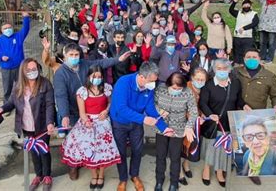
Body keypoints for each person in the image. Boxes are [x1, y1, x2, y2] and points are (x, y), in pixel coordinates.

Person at [53, 42, 131, 181]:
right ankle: (74, 166)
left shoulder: (85, 64)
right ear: (64, 56)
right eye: (71, 55)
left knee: (93, 141)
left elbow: (101, 62)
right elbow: (60, 95)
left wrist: (117, 60)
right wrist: (64, 114)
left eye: (76, 55)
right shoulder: (60, 73)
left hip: (93, 109)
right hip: (73, 110)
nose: (74, 57)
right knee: (76, 141)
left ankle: (93, 163)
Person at [109, 62, 174, 191]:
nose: (153, 85)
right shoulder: (123, 82)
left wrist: (164, 127)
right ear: (142, 77)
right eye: (151, 81)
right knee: (121, 152)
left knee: (137, 150)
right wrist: (143, 119)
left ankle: (134, 175)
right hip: (120, 122)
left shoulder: (148, 87)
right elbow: (122, 108)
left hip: (136, 123)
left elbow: (150, 108)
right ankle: (123, 179)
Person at [0, 58, 55, 191]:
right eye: (29, 70)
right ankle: (38, 175)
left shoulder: (45, 84)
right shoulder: (18, 85)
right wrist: (2, 109)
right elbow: (11, 102)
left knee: (44, 151)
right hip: (26, 126)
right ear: (23, 71)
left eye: (35, 69)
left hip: (42, 125)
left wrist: (50, 122)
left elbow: (50, 105)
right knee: (33, 151)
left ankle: (47, 176)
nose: (32, 72)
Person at [61, 65, 121, 190]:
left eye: (99, 76)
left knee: (103, 149)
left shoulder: (107, 88)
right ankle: (94, 175)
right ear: (89, 77)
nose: (97, 78)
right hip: (87, 122)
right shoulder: (82, 91)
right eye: (94, 76)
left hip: (103, 122)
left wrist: (106, 111)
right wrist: (86, 122)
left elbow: (111, 102)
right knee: (90, 150)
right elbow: (82, 112)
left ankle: (101, 175)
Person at [234, 48, 276, 185]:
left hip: (256, 115)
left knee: (253, 145)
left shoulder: (268, 76)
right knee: (234, 141)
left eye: (254, 57)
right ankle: (232, 164)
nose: (251, 59)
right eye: (248, 57)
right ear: (243, 59)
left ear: (260, 59)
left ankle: (253, 171)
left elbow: (275, 95)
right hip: (236, 111)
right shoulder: (236, 72)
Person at [199, 59, 245, 187]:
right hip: (214, 124)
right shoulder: (209, 85)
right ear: (214, 70)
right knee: (211, 149)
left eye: (225, 68)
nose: (222, 71)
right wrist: (210, 114)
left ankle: (220, 172)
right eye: (219, 68)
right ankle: (207, 170)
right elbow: (202, 103)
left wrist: (244, 106)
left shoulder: (235, 83)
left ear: (229, 70)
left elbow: (239, 100)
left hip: (229, 122)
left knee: (224, 151)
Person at [154, 72, 198, 191]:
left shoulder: (187, 92)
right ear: (168, 84)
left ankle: (174, 182)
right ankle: (159, 181)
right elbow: (153, 104)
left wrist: (189, 126)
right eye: (174, 88)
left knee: (175, 157)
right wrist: (159, 111)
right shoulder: (160, 89)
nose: (177, 90)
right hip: (161, 127)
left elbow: (194, 111)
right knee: (160, 156)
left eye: (179, 88)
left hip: (178, 128)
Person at [0, 11, 30, 103]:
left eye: (9, 27)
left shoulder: (18, 36)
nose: (8, 29)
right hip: (6, 68)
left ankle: (21, 102)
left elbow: (26, 29)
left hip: (19, 67)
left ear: (12, 28)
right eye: (5, 28)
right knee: (7, 88)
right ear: (2, 30)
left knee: (21, 85)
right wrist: (1, 57)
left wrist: (26, 18)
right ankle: (7, 105)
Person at [179, 68, 209, 185]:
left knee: (191, 144)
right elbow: (182, 107)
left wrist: (203, 114)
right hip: (184, 122)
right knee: (182, 147)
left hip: (198, 123)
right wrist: (195, 117)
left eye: (202, 79)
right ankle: (179, 172)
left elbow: (204, 105)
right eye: (197, 79)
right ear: (192, 78)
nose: (200, 81)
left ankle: (186, 164)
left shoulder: (204, 90)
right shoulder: (185, 88)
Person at [229, 0, 259, 65]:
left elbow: (255, 23)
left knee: (246, 53)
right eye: (244, 5)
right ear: (242, 6)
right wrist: (234, 2)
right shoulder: (239, 13)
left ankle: (244, 66)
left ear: (250, 6)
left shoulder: (254, 14)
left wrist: (244, 28)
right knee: (237, 52)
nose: (246, 6)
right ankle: (236, 66)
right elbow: (231, 10)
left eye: (248, 5)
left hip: (248, 38)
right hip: (237, 37)